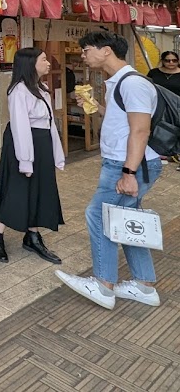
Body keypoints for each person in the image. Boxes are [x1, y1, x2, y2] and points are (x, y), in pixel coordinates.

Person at [55, 31, 164, 309]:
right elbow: (125, 121)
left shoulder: (132, 84)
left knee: (99, 215)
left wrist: (128, 173)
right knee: (123, 219)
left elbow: (140, 129)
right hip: (125, 162)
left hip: (128, 164)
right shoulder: (118, 83)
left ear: (106, 51)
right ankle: (144, 285)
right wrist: (98, 109)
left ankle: (103, 285)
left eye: (86, 49)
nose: (83, 55)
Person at [0, 48, 65, 265]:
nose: (48, 63)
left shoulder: (41, 88)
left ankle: (32, 236)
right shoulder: (18, 91)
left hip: (41, 143)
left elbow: (49, 123)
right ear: (31, 63)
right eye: (44, 59)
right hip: (23, 143)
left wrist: (56, 152)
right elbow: (20, 126)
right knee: (18, 187)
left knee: (39, 187)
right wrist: (25, 158)